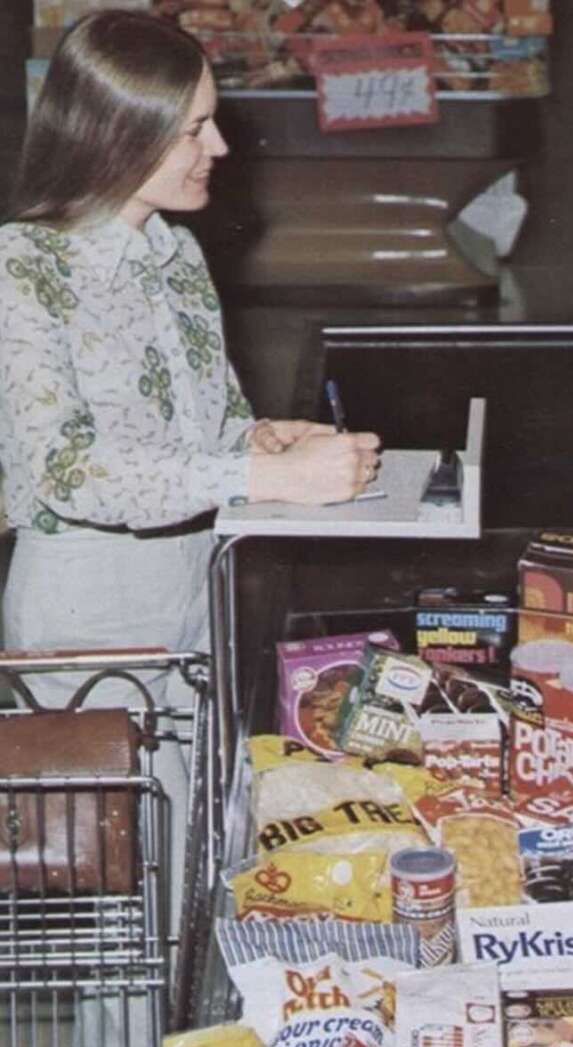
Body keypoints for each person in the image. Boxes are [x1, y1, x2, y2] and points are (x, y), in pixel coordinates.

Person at [0, 9, 380, 686]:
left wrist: (256, 441)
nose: (221, 148)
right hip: (85, 610)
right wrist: (262, 478)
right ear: (121, 134)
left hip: (197, 586)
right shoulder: (23, 264)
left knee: (200, 792)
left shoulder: (176, 253)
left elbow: (204, 425)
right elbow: (66, 471)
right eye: (194, 130)